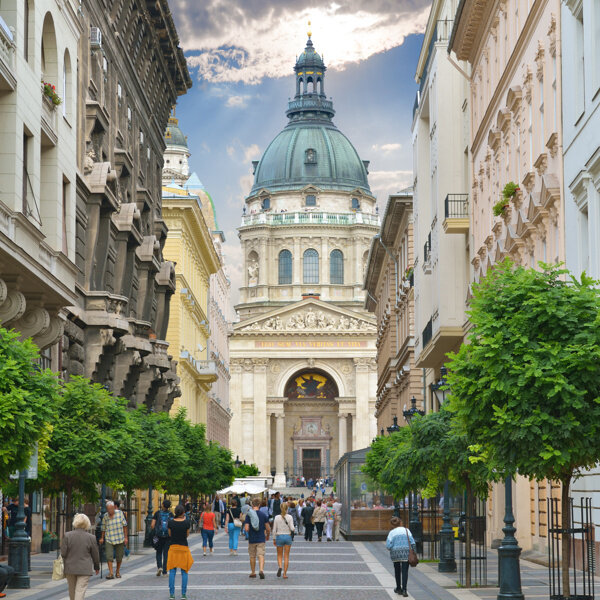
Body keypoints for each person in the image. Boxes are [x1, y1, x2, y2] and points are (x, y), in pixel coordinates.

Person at [61, 513, 100, 600]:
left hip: (70, 568)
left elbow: (63, 553)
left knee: (72, 590)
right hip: (84, 568)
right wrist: (97, 567)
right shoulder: (91, 537)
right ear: (87, 523)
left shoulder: (67, 535)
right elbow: (95, 554)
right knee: (80, 590)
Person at [167, 505, 193, 600]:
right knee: (184, 572)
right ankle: (183, 594)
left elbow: (170, 534)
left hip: (173, 548)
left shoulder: (170, 522)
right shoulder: (186, 522)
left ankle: (172, 594)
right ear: (183, 513)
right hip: (183, 548)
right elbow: (187, 535)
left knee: (172, 572)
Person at [386, 516, 416, 597]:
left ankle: (398, 588)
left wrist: (394, 546)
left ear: (392, 524)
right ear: (400, 523)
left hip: (395, 553)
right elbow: (412, 542)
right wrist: (414, 552)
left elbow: (388, 546)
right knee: (405, 571)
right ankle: (404, 590)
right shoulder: (407, 530)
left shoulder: (391, 533)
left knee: (397, 570)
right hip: (406, 553)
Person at [99, 500, 127, 579]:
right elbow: (103, 527)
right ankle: (111, 573)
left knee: (119, 557)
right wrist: (102, 537)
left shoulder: (120, 513)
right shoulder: (105, 516)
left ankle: (117, 571)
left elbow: (125, 525)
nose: (110, 511)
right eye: (108, 509)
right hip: (109, 538)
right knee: (109, 556)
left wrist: (125, 537)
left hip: (119, 538)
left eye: (111, 509)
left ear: (114, 507)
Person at [244, 497, 271, 579]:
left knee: (252, 556)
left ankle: (253, 572)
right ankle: (261, 570)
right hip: (261, 538)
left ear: (252, 505)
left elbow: (246, 528)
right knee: (261, 554)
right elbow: (268, 528)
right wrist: (268, 535)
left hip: (252, 539)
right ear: (259, 505)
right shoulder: (263, 515)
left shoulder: (249, 515)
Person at [150, 499, 173, 576]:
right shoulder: (171, 514)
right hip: (167, 536)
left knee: (158, 551)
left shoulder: (157, 513)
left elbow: (152, 525)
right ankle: (165, 572)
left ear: (162, 505)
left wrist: (155, 531)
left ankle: (159, 567)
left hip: (158, 536)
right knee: (166, 553)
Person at [272, 502, 295, 579]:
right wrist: (293, 529)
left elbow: (274, 529)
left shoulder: (276, 517)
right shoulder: (290, 517)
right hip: (288, 537)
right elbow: (292, 528)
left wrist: (274, 538)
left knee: (279, 555)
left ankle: (280, 566)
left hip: (279, 536)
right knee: (286, 556)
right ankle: (284, 573)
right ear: (287, 508)